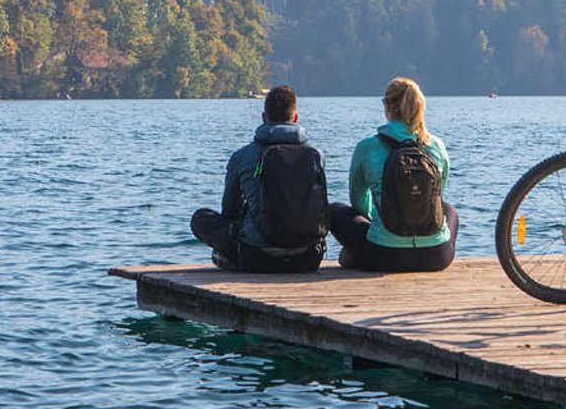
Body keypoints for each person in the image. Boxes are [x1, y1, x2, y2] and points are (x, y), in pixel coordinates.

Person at [191, 85, 328, 272]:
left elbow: (229, 209)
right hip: (308, 257)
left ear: (264, 118)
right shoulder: (316, 155)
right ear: (295, 118)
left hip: (258, 257)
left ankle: (227, 258)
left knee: (200, 218)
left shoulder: (242, 156)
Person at [328, 77, 458, 272]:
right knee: (449, 209)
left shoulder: (367, 147)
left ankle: (357, 255)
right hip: (436, 256)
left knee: (335, 211)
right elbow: (437, 196)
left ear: (387, 105)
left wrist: (385, 220)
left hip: (385, 256)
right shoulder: (436, 146)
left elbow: (359, 202)